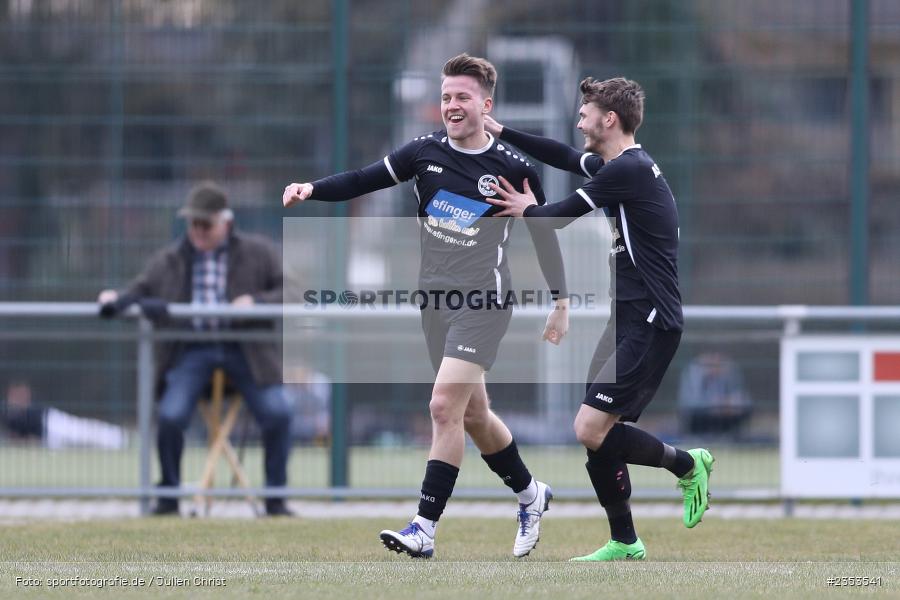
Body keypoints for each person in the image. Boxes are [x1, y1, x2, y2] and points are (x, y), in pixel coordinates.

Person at [283, 54, 569, 559]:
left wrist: (561, 301)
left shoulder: (512, 166)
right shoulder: (423, 153)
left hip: (484, 303)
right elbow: (361, 179)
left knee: (442, 407)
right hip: (435, 304)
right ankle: (531, 494)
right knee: (475, 415)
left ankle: (424, 528)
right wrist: (312, 189)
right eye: (445, 97)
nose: (452, 106)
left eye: (462, 97)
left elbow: (544, 236)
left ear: (486, 104)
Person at [484, 76, 714, 561]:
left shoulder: (627, 170)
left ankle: (687, 464)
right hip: (627, 318)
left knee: (590, 428)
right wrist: (500, 130)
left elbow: (556, 216)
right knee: (597, 436)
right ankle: (625, 541)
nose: (579, 120)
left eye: (585, 113)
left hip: (652, 319)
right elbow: (564, 157)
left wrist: (528, 208)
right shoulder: (617, 165)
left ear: (609, 119)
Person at [97, 182, 293, 517]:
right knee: (170, 415)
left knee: (279, 412)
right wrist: (113, 298)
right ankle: (168, 497)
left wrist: (257, 302)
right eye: (193, 224)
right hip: (191, 352)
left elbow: (292, 290)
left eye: (206, 224)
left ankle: (275, 500)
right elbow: (138, 289)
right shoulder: (169, 259)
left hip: (247, 351)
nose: (198, 231)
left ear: (225, 222)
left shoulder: (258, 252)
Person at [2, 380, 128, 450]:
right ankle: (115, 440)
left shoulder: (30, 409)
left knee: (83, 428)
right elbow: (18, 439)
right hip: (50, 435)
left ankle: (117, 437)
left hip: (53, 420)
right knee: (81, 438)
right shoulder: (12, 418)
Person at [679, 352, 752, 437]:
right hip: (700, 414)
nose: (715, 368)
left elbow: (740, 397)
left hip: (724, 412)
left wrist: (727, 403)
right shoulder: (695, 377)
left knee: (740, 409)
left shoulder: (727, 376)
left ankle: (729, 434)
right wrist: (714, 404)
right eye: (711, 365)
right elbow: (692, 402)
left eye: (718, 364)